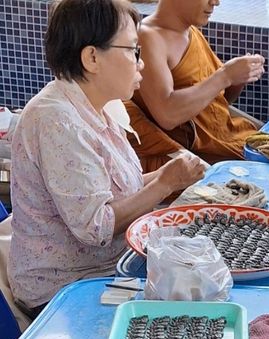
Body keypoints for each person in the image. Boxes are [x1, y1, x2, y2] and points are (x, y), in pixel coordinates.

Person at [8, 0, 205, 316]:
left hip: (111, 266)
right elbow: (96, 227)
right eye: (132, 51)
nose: (140, 64)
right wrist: (165, 183)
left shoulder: (96, 106)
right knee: (187, 310)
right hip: (69, 288)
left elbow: (113, 189)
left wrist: (171, 175)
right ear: (92, 57)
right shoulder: (56, 120)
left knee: (206, 275)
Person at [124, 0, 266, 172]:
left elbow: (217, 103)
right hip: (208, 162)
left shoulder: (191, 32)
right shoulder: (148, 37)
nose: (216, 2)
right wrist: (225, 75)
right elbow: (167, 115)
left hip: (233, 140)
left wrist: (238, 79)